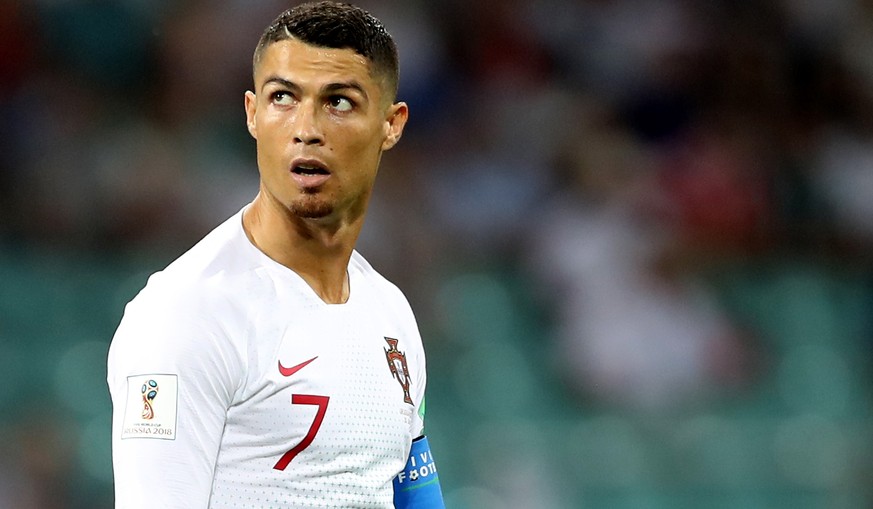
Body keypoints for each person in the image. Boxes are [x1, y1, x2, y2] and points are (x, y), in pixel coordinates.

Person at [106, 2, 445, 507]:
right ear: (252, 114)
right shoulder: (187, 314)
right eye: (283, 97)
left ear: (391, 124)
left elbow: (418, 498)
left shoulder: (390, 311)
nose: (306, 128)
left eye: (340, 102)